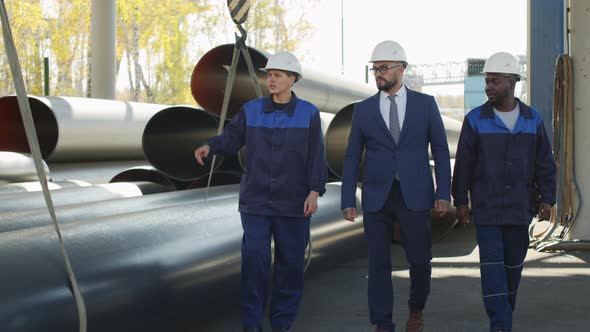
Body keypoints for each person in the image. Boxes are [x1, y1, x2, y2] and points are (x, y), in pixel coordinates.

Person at [194, 51, 327, 332]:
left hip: (293, 204)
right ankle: (251, 326)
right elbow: (231, 139)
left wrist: (315, 191)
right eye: (270, 75)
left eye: (278, 75)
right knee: (255, 264)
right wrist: (211, 146)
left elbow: (317, 155)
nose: (272, 80)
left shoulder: (309, 113)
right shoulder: (251, 110)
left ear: (292, 79)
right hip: (256, 203)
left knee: (290, 268)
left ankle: (281, 324)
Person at [340, 40, 451, 332]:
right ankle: (383, 323)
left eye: (384, 68)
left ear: (401, 69)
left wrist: (443, 193)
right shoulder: (363, 110)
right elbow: (352, 155)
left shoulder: (425, 105)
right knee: (378, 265)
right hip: (376, 196)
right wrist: (347, 197)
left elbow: (440, 149)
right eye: (375, 69)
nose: (379, 73)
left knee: (420, 261)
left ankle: (416, 309)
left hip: (415, 194)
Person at [451, 52, 556, 332]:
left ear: (512, 82)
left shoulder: (532, 119)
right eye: (487, 81)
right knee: (492, 272)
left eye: (495, 81)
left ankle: (503, 316)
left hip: (520, 209)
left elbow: (545, 162)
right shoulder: (475, 120)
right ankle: (500, 325)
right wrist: (460, 201)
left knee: (512, 271)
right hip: (487, 210)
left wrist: (547, 197)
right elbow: (463, 164)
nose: (489, 86)